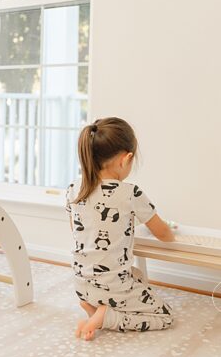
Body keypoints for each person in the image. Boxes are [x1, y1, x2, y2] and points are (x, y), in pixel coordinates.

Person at [67, 117, 176, 340]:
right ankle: (106, 316)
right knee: (165, 316)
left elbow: (80, 229)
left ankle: (94, 308)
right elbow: (164, 235)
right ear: (126, 159)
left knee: (137, 276)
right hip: (112, 286)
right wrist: (173, 233)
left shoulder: (73, 189)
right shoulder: (130, 193)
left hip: (81, 284)